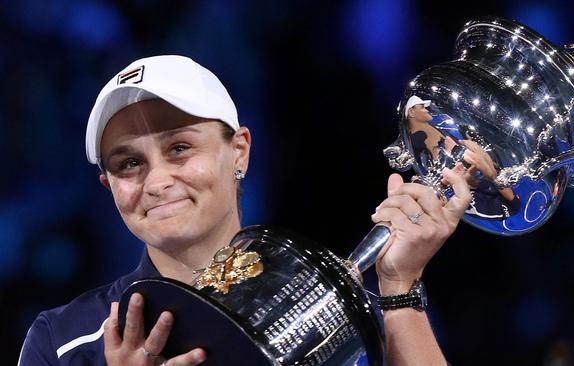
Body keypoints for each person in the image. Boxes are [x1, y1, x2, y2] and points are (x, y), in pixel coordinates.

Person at [18, 55, 472, 366]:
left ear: (239, 152)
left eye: (179, 148)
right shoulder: (64, 341)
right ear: (109, 185)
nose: (155, 182)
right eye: (129, 164)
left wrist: (399, 288)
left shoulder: (345, 321)